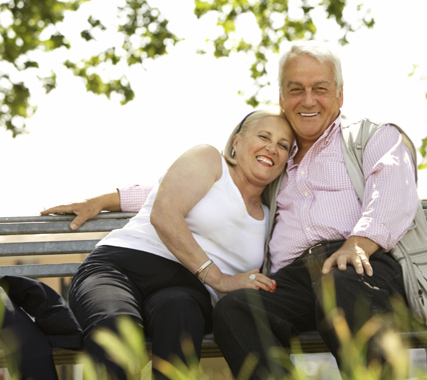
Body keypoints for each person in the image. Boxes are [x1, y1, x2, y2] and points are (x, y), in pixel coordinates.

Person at [43, 42, 427, 378]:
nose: (308, 100)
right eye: (295, 89)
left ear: (339, 95)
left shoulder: (372, 137)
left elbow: (394, 187)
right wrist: (106, 199)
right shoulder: (273, 166)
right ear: (282, 97)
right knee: (236, 308)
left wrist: (360, 242)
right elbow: (183, 189)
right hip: (294, 280)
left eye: (320, 88)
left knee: (343, 281)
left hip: (359, 263)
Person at [45, 109, 294, 380]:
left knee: (181, 317)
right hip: (122, 265)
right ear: (236, 142)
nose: (272, 148)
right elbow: (164, 213)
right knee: (117, 327)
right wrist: (219, 279)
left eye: (283, 145)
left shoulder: (271, 218)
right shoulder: (209, 160)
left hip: (186, 292)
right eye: (264, 136)